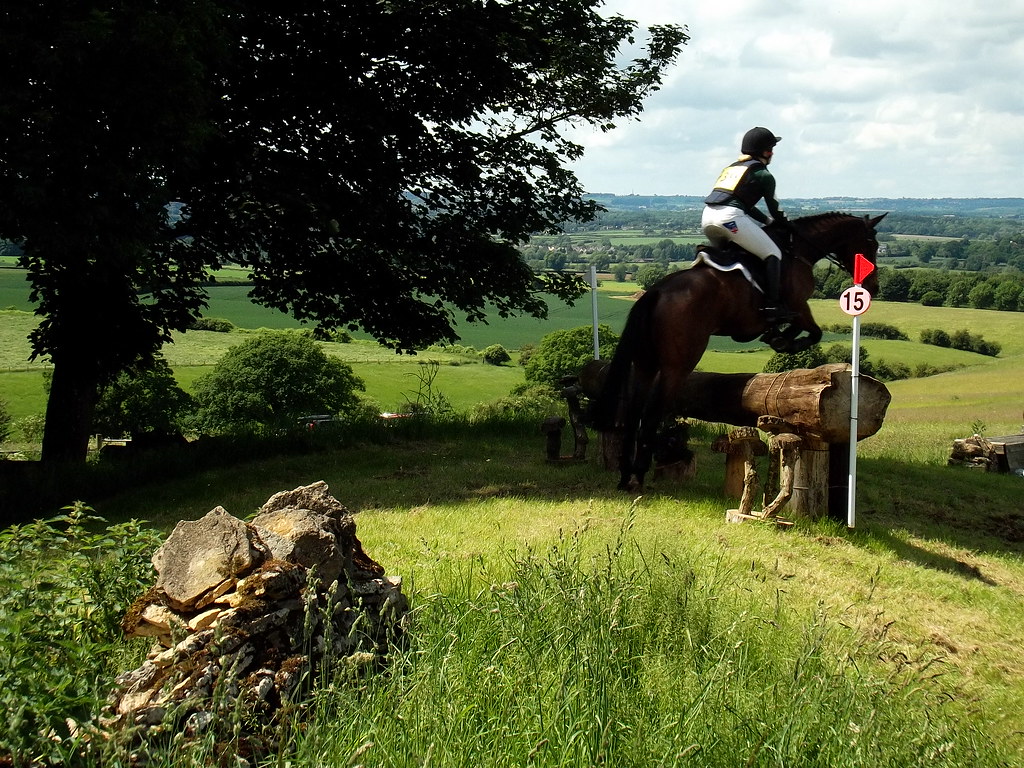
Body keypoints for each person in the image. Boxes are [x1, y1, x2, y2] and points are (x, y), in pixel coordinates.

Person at [702, 126, 790, 321]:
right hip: (730, 219)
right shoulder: (763, 175)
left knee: (729, 257)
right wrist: (785, 223)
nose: (773, 153)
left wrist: (766, 221)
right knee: (773, 254)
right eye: (771, 148)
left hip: (707, 217)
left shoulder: (731, 169)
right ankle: (772, 307)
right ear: (765, 151)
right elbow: (776, 209)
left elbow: (746, 205)